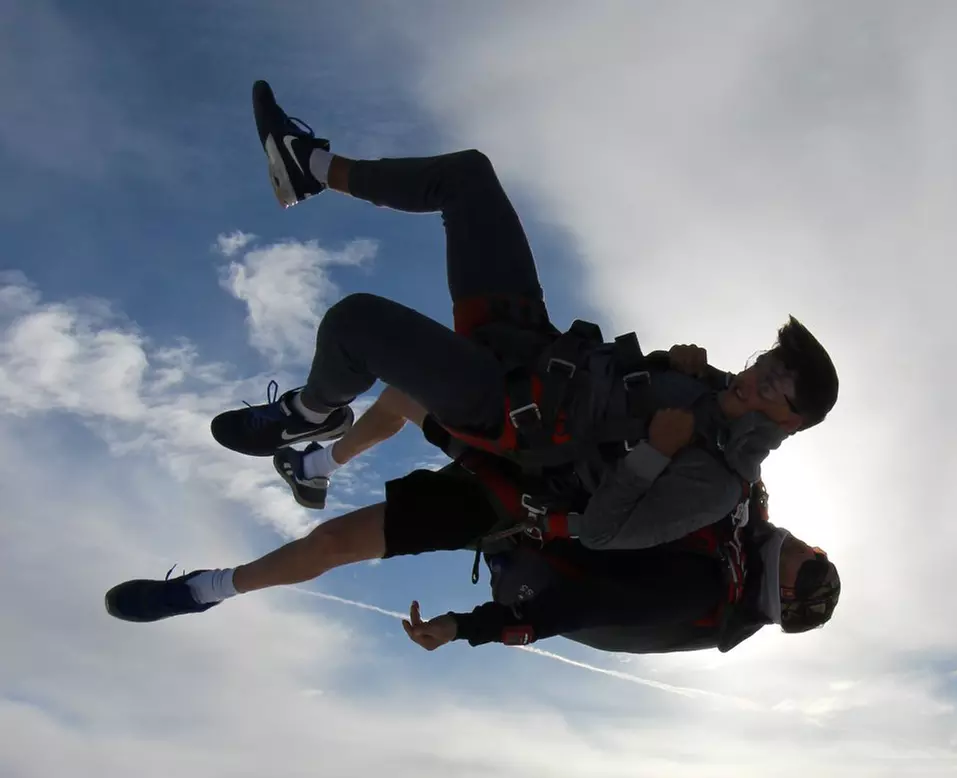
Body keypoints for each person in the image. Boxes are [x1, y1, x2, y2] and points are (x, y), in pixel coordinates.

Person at [213, 80, 839, 552]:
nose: (761, 375)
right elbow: (622, 392)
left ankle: (308, 415)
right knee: (469, 177)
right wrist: (662, 364)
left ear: (792, 417)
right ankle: (308, 168)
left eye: (779, 383)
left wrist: (652, 451)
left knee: (355, 325)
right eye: (770, 361)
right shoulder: (706, 384)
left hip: (513, 414)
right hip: (533, 346)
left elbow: (602, 532)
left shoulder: (721, 480)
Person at [104, 422, 840, 654]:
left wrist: (464, 627)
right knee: (431, 385)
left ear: (779, 594)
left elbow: (575, 612)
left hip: (518, 519)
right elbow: (732, 450)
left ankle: (205, 590)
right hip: (557, 467)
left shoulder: (702, 586)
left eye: (810, 569)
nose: (810, 549)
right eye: (820, 557)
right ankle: (315, 454)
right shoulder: (750, 520)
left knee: (336, 543)